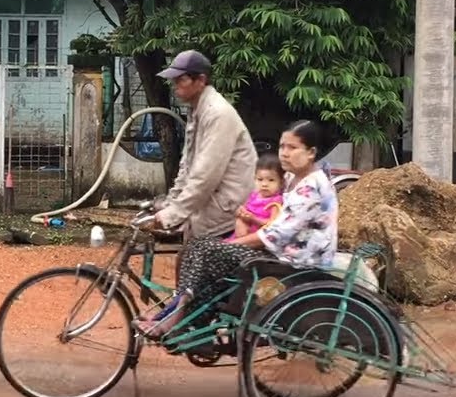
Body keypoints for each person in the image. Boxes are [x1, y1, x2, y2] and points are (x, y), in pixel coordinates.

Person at [137, 120, 339, 338]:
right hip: (279, 253)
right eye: (282, 146)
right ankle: (177, 314)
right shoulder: (291, 178)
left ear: (311, 153)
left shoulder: (311, 188)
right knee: (197, 245)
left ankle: (179, 319)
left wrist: (231, 243)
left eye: (292, 147)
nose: (284, 153)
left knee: (209, 250)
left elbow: (274, 234)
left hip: (296, 263)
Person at [150, 50, 257, 240]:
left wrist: (174, 214)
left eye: (181, 79)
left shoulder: (217, 113)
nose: (175, 85)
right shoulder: (197, 110)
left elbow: (205, 175)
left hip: (228, 213)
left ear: (201, 80)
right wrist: (171, 203)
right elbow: (187, 166)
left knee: (198, 257)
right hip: (211, 208)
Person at [230, 153, 285, 240]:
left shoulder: (276, 201)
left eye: (271, 180)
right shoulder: (254, 195)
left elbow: (272, 224)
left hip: (256, 238)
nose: (264, 184)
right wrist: (240, 213)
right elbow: (244, 209)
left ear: (281, 183)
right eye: (260, 179)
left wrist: (254, 219)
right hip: (240, 235)